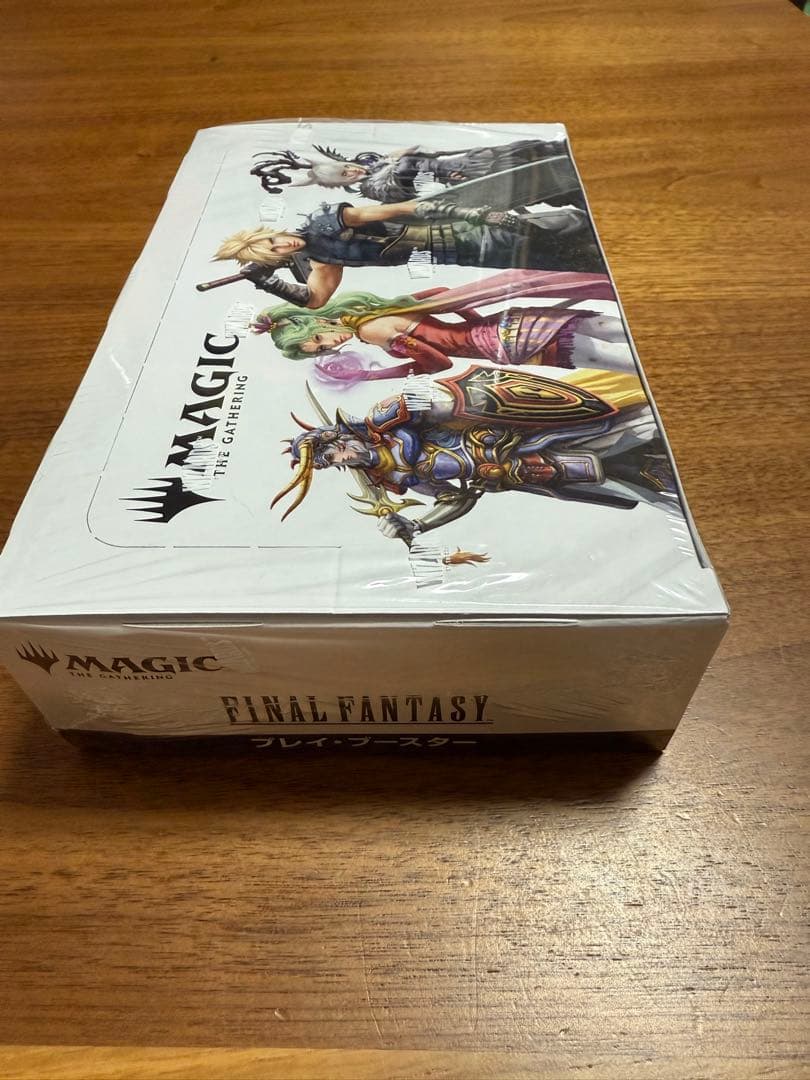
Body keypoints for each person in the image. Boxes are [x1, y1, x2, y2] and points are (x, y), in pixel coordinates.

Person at [272, 365, 679, 552]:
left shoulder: (385, 419)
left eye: (333, 452)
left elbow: (453, 398)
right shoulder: (396, 477)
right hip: (529, 474)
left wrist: (434, 404)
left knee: (639, 424)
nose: (341, 460)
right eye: (332, 464)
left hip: (529, 436)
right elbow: (456, 498)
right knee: (641, 485)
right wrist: (417, 524)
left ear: (337, 436)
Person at [209, 195, 604, 309]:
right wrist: (267, 283)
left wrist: (475, 213)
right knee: (580, 262)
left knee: (580, 227)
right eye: (275, 253)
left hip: (470, 228)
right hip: (469, 254)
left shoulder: (324, 222)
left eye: (274, 240)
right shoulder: (322, 259)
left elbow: (398, 209)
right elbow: (315, 299)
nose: (285, 245)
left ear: (271, 232)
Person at [252, 269, 635, 382]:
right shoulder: (376, 310)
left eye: (320, 338)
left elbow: (439, 363)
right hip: (514, 323)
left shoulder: (370, 332)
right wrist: (480, 326)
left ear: (316, 321)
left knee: (628, 362)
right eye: (322, 350)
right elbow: (441, 294)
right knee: (626, 332)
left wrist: (371, 376)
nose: (332, 345)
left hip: (514, 344)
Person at [251, 137, 584, 205]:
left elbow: (418, 151)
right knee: (546, 181)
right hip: (474, 180)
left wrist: (402, 156)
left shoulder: (372, 159)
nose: (351, 171)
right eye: (344, 175)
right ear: (340, 184)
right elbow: (414, 188)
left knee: (542, 150)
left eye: (346, 167)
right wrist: (404, 163)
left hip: (470, 160)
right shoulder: (374, 189)